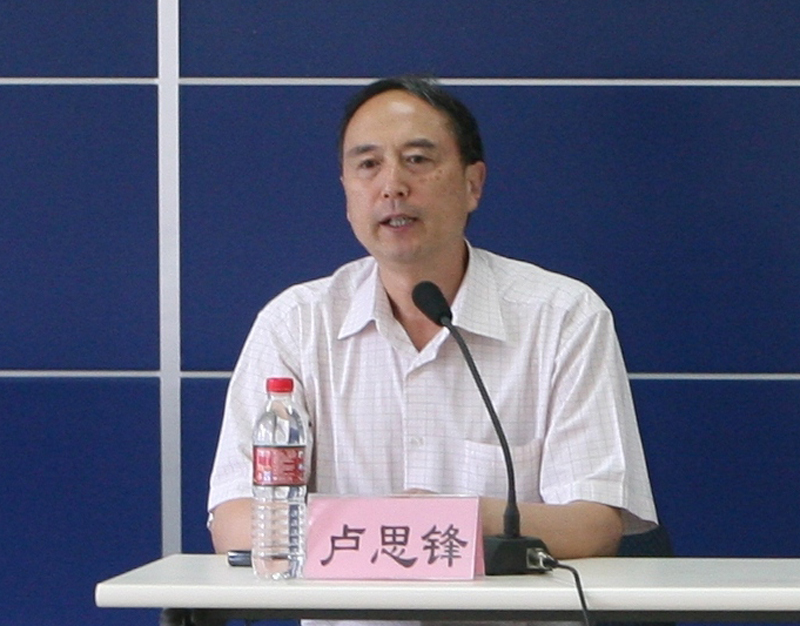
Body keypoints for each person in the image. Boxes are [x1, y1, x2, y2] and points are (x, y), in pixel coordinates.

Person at [208, 75, 658, 594]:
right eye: (368, 164)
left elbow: (594, 525)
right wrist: (402, 526)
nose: (392, 186)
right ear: (347, 191)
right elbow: (236, 521)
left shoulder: (562, 316)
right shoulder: (296, 324)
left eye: (417, 159)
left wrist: (453, 517)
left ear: (473, 184)